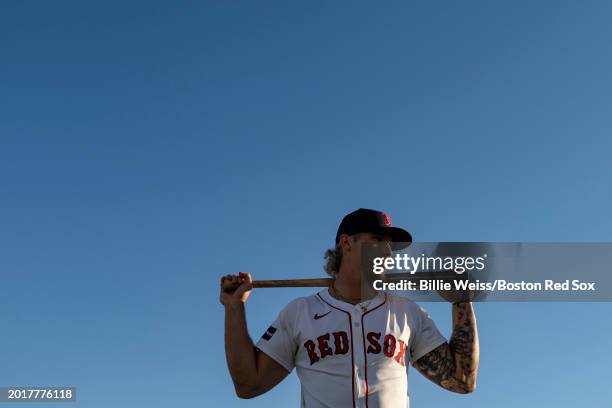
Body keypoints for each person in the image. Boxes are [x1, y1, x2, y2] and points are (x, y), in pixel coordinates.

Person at [221, 208, 479, 407]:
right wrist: (234, 308)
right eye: (378, 239)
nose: (388, 252)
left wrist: (461, 302)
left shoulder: (406, 312)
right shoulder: (300, 312)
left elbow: (462, 380)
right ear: (346, 243)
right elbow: (248, 385)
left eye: (391, 245)